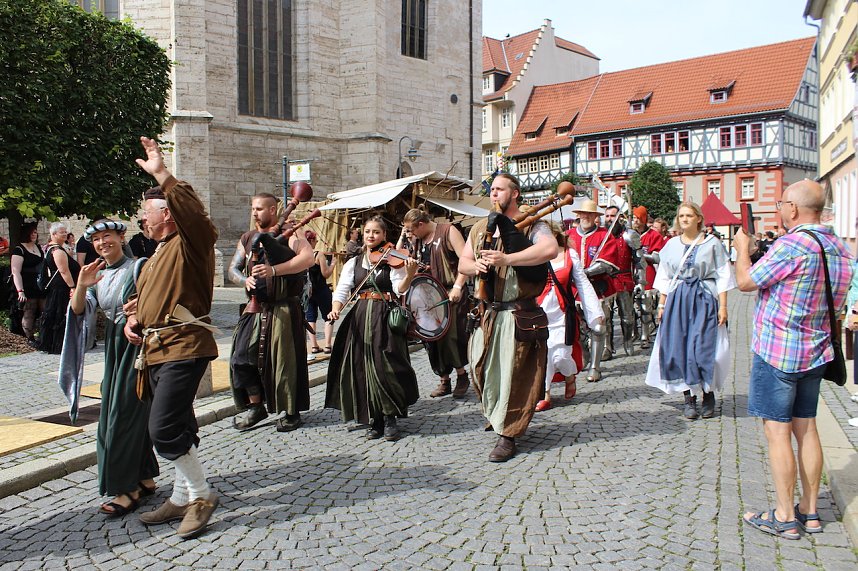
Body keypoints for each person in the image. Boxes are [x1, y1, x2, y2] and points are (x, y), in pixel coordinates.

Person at [734, 179, 853, 539]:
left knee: (778, 433)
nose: (780, 209)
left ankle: (785, 515)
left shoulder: (792, 245)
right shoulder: (841, 249)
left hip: (779, 351)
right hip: (817, 352)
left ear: (795, 209)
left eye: (783, 203)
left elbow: (745, 281)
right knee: (808, 428)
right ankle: (811, 511)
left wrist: (743, 248)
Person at [124, 136, 220, 540]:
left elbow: (192, 210)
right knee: (180, 424)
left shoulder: (191, 241)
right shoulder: (158, 252)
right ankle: (181, 495)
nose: (142, 221)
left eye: (147, 213)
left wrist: (161, 172)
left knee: (162, 430)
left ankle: (200, 495)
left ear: (168, 213)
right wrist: (134, 319)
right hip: (156, 348)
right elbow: (144, 299)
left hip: (185, 345)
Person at [59, 220, 158, 517]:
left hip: (138, 346)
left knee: (120, 418)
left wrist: (137, 314)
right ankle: (144, 476)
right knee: (124, 412)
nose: (103, 243)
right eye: (97, 240)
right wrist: (81, 285)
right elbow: (78, 310)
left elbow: (155, 299)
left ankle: (125, 488)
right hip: (114, 351)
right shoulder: (95, 275)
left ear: (120, 237)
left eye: (108, 237)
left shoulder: (140, 266)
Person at [459, 173, 558, 462]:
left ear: (514, 194)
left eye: (500, 190)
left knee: (513, 375)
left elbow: (549, 250)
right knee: (482, 370)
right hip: (488, 313)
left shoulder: (534, 225)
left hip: (517, 313)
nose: (494, 194)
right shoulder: (480, 228)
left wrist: (507, 259)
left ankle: (508, 434)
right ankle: (499, 418)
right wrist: (474, 265)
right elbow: (463, 262)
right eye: (492, 190)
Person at [325, 216, 420, 442]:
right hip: (360, 316)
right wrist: (335, 309)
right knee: (363, 366)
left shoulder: (392, 260)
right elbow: (341, 291)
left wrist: (409, 274)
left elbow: (400, 289)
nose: (371, 236)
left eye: (376, 232)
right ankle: (373, 419)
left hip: (384, 317)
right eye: (368, 231)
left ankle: (389, 418)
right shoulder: (354, 263)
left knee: (385, 366)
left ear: (384, 235)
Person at [226, 194, 314, 432]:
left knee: (284, 362)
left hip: (283, 307)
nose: (255, 213)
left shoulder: (291, 232)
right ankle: (256, 406)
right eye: (253, 208)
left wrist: (274, 270)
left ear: (273, 210)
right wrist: (244, 280)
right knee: (241, 357)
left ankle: (291, 410)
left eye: (260, 209)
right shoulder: (247, 238)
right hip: (255, 308)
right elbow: (233, 269)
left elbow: (308, 258)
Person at [645, 202, 735, 419]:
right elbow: (665, 276)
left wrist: (723, 306)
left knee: (704, 347)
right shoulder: (671, 245)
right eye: (681, 215)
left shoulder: (712, 243)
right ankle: (689, 398)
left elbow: (723, 275)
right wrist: (661, 304)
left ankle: (708, 393)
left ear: (698, 218)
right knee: (680, 347)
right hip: (678, 301)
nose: (684, 219)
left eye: (689, 215)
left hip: (705, 299)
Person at [403, 208, 471, 399]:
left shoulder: (448, 231)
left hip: (450, 293)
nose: (410, 234)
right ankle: (444, 380)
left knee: (451, 336)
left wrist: (458, 286)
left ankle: (462, 375)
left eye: (411, 229)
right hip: (427, 296)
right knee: (430, 339)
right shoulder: (417, 241)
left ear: (421, 224)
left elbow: (466, 260)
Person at [535, 224, 603, 411]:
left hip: (563, 314)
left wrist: (595, 313)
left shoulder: (569, 255)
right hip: (539, 313)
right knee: (544, 354)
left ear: (554, 236)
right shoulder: (533, 255)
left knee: (561, 356)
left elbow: (583, 284)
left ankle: (569, 375)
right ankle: (545, 393)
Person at [567, 200, 619, 381]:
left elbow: (607, 262)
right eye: (583, 213)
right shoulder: (569, 235)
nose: (586, 217)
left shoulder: (605, 236)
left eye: (590, 214)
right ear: (578, 215)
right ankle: (585, 358)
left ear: (596, 217)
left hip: (598, 288)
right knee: (578, 327)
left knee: (597, 327)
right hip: (574, 289)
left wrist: (585, 272)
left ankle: (595, 367)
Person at [37, 222, 81, 354]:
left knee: (57, 313)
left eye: (65, 231)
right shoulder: (57, 251)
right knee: (59, 314)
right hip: (61, 288)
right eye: (61, 232)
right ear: (54, 234)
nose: (65, 233)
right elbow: (64, 271)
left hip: (60, 287)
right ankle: (57, 344)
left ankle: (58, 343)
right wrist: (72, 287)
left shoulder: (55, 249)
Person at [603, 205, 640, 357]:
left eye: (612, 216)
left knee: (627, 316)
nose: (609, 219)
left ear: (619, 218)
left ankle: (627, 341)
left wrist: (641, 282)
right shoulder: (601, 236)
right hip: (605, 279)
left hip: (624, 278)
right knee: (605, 317)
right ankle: (607, 347)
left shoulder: (629, 235)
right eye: (607, 216)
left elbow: (639, 260)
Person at [634, 206, 666, 350]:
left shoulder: (654, 236)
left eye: (637, 218)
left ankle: (645, 335)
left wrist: (640, 254)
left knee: (646, 307)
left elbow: (658, 257)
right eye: (633, 218)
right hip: (631, 274)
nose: (634, 221)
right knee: (633, 308)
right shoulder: (630, 234)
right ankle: (633, 333)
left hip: (648, 275)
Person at [10, 223, 46, 341]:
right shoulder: (19, 249)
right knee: (29, 311)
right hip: (27, 285)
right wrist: (20, 291)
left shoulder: (39, 248)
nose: (34, 235)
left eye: (35, 232)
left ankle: (44, 336)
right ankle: (29, 338)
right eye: (31, 233)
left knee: (45, 310)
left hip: (40, 284)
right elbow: (16, 272)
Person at [304, 230, 334, 357]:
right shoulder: (318, 254)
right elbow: (325, 273)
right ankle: (327, 345)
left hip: (308, 292)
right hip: (321, 289)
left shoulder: (301, 255)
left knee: (311, 318)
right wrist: (333, 264)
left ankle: (314, 346)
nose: (316, 242)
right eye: (316, 240)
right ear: (311, 241)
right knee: (328, 316)